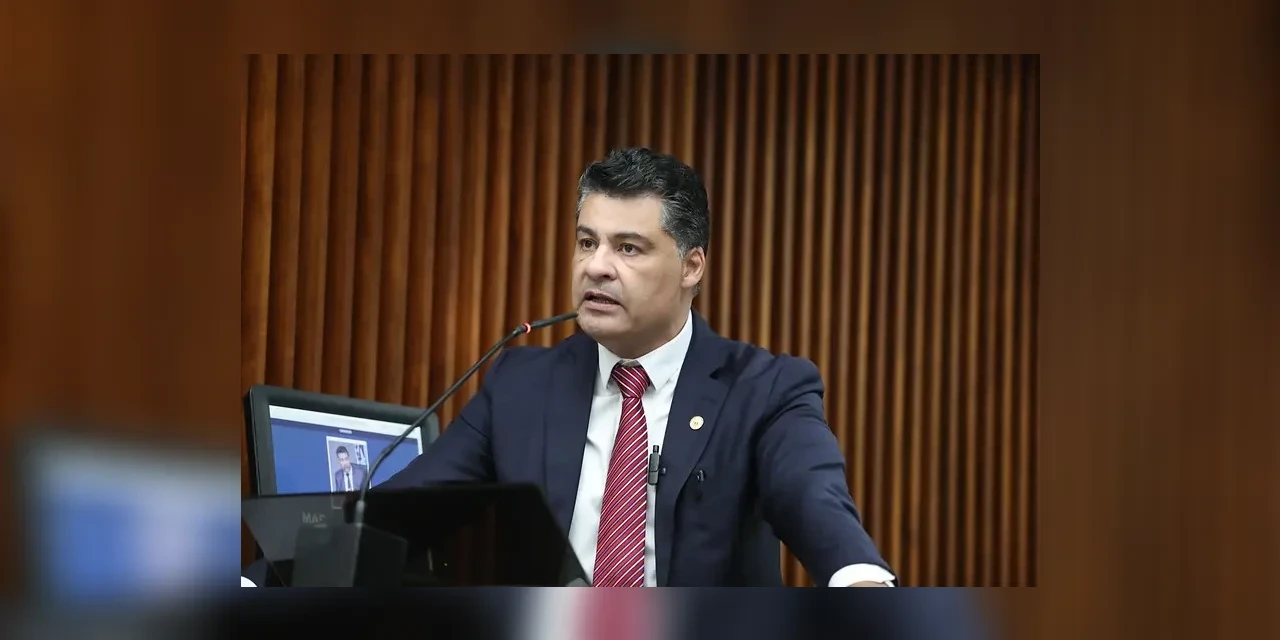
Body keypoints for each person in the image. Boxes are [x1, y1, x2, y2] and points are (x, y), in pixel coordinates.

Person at [382, 147, 894, 587]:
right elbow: (399, 517)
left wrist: (861, 583)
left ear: (691, 266)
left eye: (628, 248)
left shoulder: (763, 390)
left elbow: (813, 501)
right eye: (587, 242)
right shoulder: (521, 384)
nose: (596, 266)